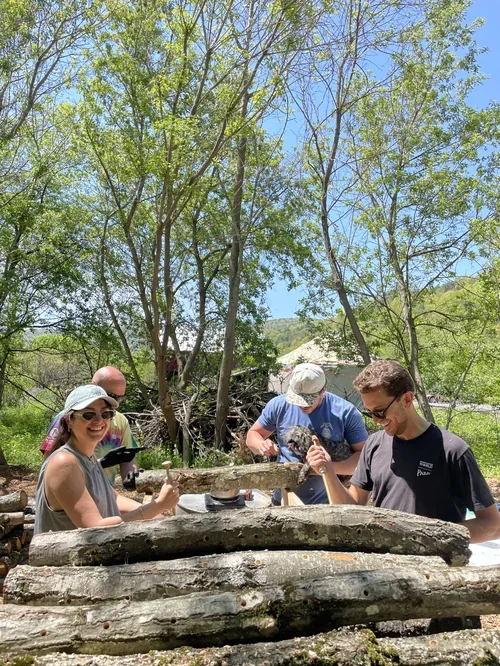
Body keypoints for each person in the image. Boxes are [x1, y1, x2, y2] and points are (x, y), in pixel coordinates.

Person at [306, 359, 500, 544]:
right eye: (370, 412)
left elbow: (492, 525)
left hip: (437, 571)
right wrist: (328, 471)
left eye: (380, 411)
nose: (375, 419)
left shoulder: (453, 450)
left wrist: (429, 538)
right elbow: (350, 511)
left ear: (407, 399)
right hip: (387, 566)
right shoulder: (374, 445)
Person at [34, 384, 179, 535]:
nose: (99, 420)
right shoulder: (63, 462)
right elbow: (95, 528)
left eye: (106, 414)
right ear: (69, 420)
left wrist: (154, 512)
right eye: (88, 415)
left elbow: (113, 498)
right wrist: (158, 505)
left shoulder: (88, 458)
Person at [247, 362, 367, 504]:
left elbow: (364, 460)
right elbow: (252, 435)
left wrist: (326, 469)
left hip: (327, 502)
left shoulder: (345, 412)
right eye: (298, 399)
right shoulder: (279, 405)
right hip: (284, 499)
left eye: (308, 400)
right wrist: (261, 445)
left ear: (323, 390)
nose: (302, 405)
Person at [40, 367, 139, 485]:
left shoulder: (121, 421)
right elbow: (50, 466)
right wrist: (102, 463)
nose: (116, 404)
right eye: (111, 396)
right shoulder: (67, 418)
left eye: (120, 398)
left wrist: (132, 477)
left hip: (104, 494)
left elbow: (128, 457)